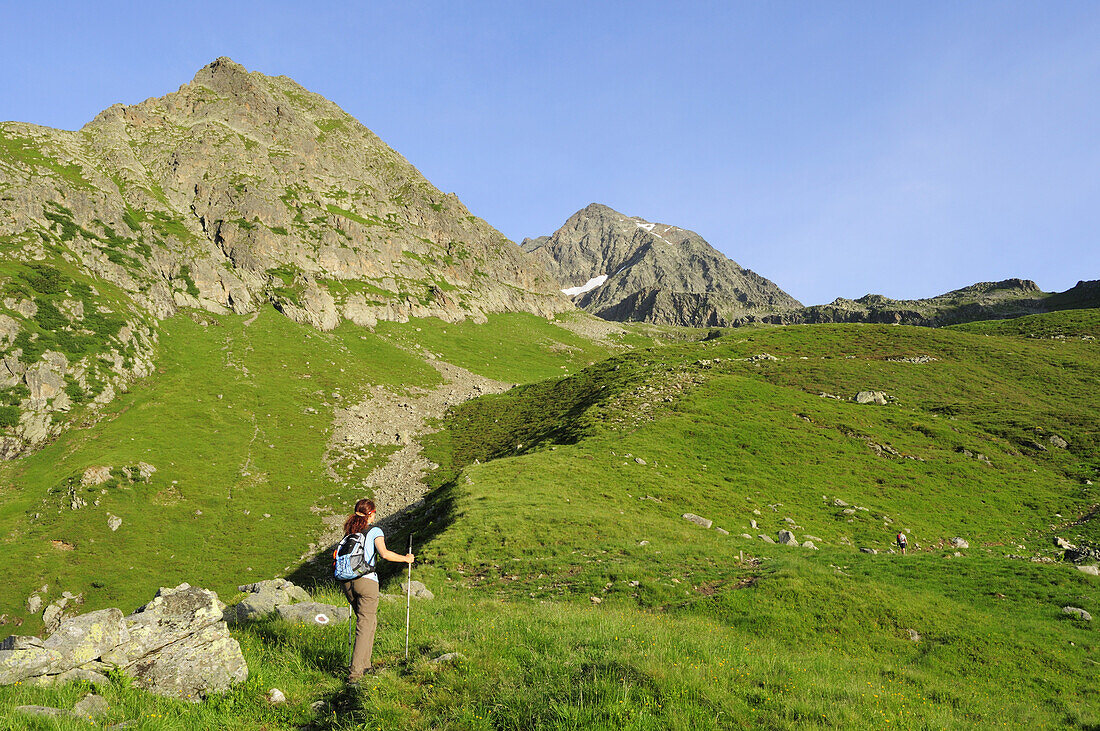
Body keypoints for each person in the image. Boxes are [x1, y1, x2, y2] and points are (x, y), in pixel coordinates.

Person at [337, 498, 414, 683]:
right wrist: (406, 559)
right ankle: (355, 673)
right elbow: (385, 554)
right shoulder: (374, 531)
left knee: (369, 622)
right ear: (371, 514)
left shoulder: (350, 533)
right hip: (367, 581)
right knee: (364, 625)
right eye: (374, 513)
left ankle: (366, 665)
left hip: (347, 583)